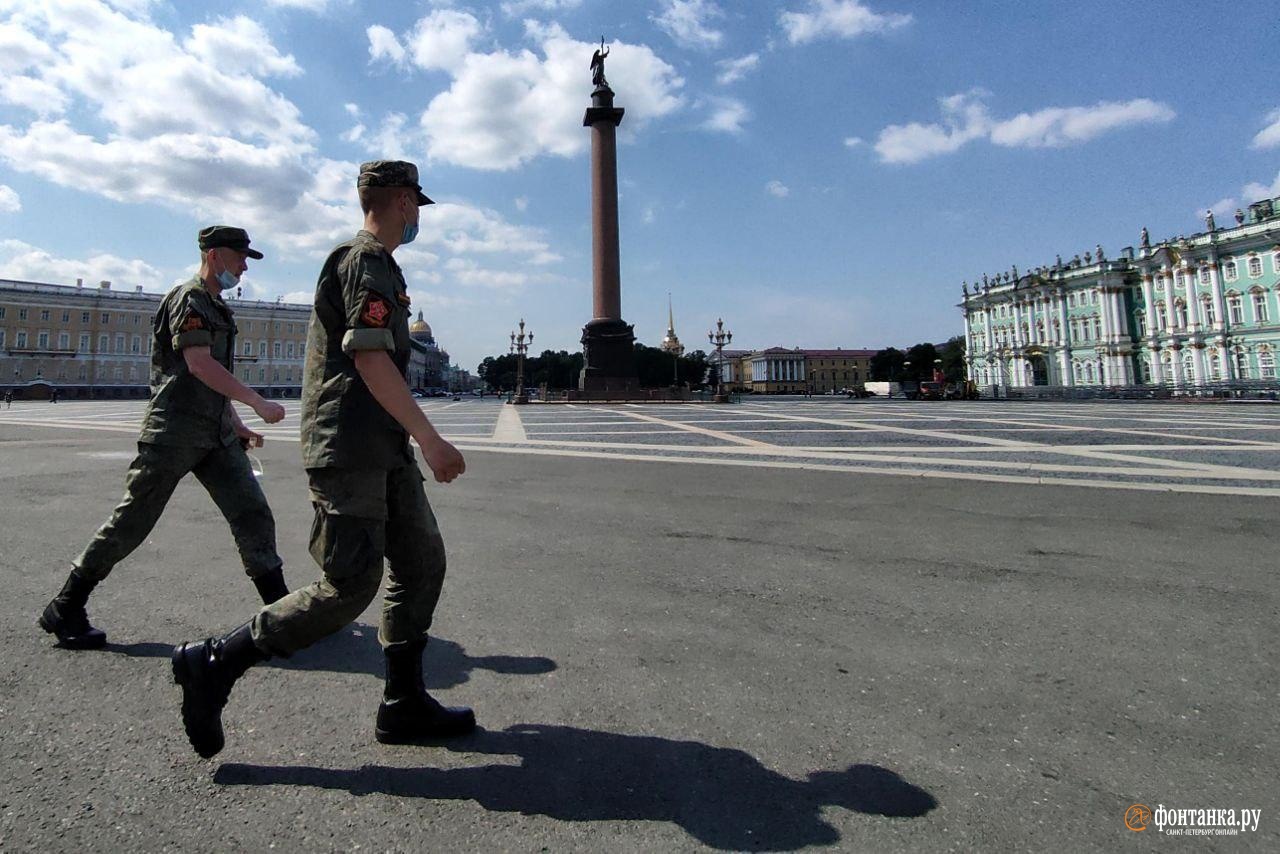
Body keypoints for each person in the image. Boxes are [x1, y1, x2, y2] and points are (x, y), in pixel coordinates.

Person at [172, 161, 472, 759]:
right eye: (416, 204)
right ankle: (214, 663)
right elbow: (370, 359)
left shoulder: (382, 265)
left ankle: (403, 701)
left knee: (422, 562)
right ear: (404, 201)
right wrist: (431, 437)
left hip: (381, 447)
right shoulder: (362, 261)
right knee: (348, 587)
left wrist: (408, 440)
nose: (417, 217)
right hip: (350, 449)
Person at [39, 226, 289, 650]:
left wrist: (235, 422)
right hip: (173, 430)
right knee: (133, 521)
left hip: (214, 434)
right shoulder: (189, 298)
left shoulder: (216, 304)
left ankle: (282, 613)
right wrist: (256, 403)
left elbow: (211, 379)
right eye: (240, 257)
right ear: (214, 256)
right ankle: (67, 604)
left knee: (252, 512)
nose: (245, 266)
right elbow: (198, 365)